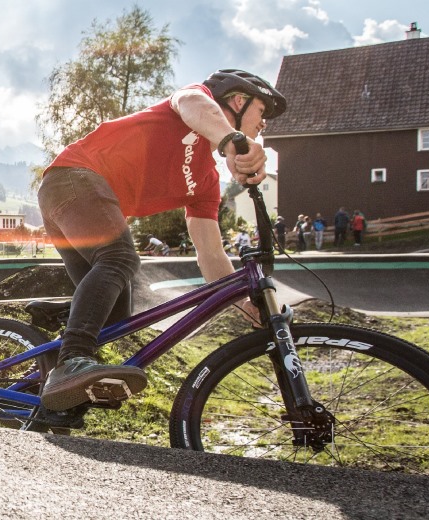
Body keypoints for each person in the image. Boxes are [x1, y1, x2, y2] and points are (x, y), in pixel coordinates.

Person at [34, 68, 283, 411]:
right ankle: (72, 359)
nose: (264, 123)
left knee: (115, 319)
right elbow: (193, 103)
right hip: (72, 179)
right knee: (120, 258)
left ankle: (53, 387)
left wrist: (244, 304)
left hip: (80, 205)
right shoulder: (195, 101)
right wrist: (230, 141)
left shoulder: (207, 182)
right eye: (262, 111)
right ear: (237, 101)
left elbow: (210, 255)